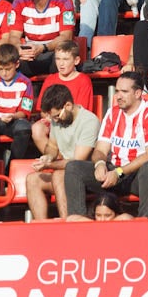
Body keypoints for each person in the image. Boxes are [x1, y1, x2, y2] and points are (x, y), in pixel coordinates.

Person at [64, 70, 148, 219]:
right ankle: (78, 220)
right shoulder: (112, 113)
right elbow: (100, 149)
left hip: (142, 176)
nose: (118, 96)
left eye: (124, 92)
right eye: (117, 91)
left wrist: (118, 172)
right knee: (74, 167)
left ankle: (143, 220)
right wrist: (100, 163)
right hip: (116, 173)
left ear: (138, 93)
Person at [28, 84, 99, 221]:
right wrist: (48, 157)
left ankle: (67, 224)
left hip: (87, 174)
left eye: (56, 116)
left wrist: (49, 165)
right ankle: (41, 227)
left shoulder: (89, 121)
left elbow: (78, 162)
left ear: (68, 106)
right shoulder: (58, 119)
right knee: (32, 179)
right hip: (67, 171)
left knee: (59, 175)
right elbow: (52, 146)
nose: (54, 121)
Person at [0, 43, 37, 163]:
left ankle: (12, 166)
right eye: (0, 69)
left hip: (12, 121)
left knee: (24, 128)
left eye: (8, 69)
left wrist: (13, 116)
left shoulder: (25, 83)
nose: (4, 73)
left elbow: (24, 112)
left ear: (17, 64)